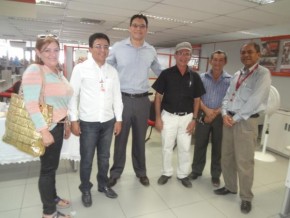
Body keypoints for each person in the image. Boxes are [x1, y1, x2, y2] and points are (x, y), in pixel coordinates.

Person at [214, 42, 271, 214]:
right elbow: (227, 96)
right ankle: (230, 187)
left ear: (258, 54)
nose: (246, 55)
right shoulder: (237, 74)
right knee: (227, 158)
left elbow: (256, 100)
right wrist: (224, 113)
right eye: (243, 52)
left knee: (244, 162)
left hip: (245, 122)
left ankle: (246, 197)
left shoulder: (262, 74)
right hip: (229, 120)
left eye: (250, 52)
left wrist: (236, 117)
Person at [107, 14, 163, 187]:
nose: (138, 29)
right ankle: (116, 172)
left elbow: (160, 71)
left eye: (142, 26)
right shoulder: (118, 48)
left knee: (140, 139)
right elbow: (106, 68)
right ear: (130, 27)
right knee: (120, 139)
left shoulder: (151, 50)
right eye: (135, 25)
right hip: (122, 100)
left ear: (146, 29)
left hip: (142, 102)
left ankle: (141, 172)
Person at [68, 33, 123, 207]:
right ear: (90, 48)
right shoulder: (81, 69)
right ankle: (85, 188)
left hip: (107, 122)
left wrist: (119, 119)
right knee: (87, 159)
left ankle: (103, 185)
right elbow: (72, 96)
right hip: (88, 122)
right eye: (98, 46)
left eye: (106, 46)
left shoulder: (112, 71)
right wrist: (74, 120)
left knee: (105, 157)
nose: (102, 50)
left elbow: (117, 97)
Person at [22, 36, 73, 218]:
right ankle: (49, 213)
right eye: (47, 50)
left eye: (55, 50)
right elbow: (31, 104)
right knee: (47, 170)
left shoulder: (56, 71)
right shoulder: (35, 70)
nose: (52, 54)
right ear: (38, 53)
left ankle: (53, 198)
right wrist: (44, 131)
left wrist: (65, 123)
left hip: (57, 125)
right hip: (47, 128)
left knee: (51, 168)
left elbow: (61, 101)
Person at [152, 42, 205, 188]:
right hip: (168, 116)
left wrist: (194, 119)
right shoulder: (166, 74)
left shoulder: (194, 77)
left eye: (187, 53)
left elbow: (197, 100)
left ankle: (182, 174)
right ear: (175, 55)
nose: (183, 56)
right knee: (167, 146)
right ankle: (166, 172)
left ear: (190, 56)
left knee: (185, 147)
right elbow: (158, 97)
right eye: (180, 53)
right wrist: (157, 118)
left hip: (187, 118)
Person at [189, 50, 231, 187]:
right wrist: (207, 111)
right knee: (200, 144)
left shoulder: (230, 80)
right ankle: (196, 170)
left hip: (220, 117)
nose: (217, 63)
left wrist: (215, 113)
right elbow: (196, 97)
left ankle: (215, 175)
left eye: (221, 60)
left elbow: (230, 99)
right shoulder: (201, 78)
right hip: (203, 114)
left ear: (225, 62)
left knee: (218, 147)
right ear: (210, 61)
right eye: (215, 60)